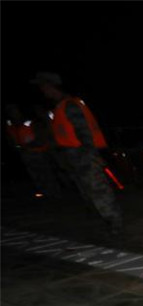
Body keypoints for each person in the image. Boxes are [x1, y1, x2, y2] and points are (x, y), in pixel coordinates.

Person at [30, 72, 123, 236]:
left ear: (52, 86)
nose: (42, 90)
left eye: (44, 86)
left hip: (83, 154)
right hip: (73, 155)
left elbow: (84, 132)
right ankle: (104, 219)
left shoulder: (69, 105)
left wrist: (91, 155)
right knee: (86, 189)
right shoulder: (59, 107)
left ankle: (113, 222)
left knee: (98, 189)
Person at [3, 103, 64, 200]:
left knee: (47, 174)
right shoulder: (10, 125)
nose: (12, 112)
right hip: (25, 154)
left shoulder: (30, 121)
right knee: (36, 176)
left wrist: (30, 145)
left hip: (38, 152)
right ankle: (46, 195)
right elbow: (11, 139)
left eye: (13, 110)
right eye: (9, 110)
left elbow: (40, 136)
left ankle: (56, 194)